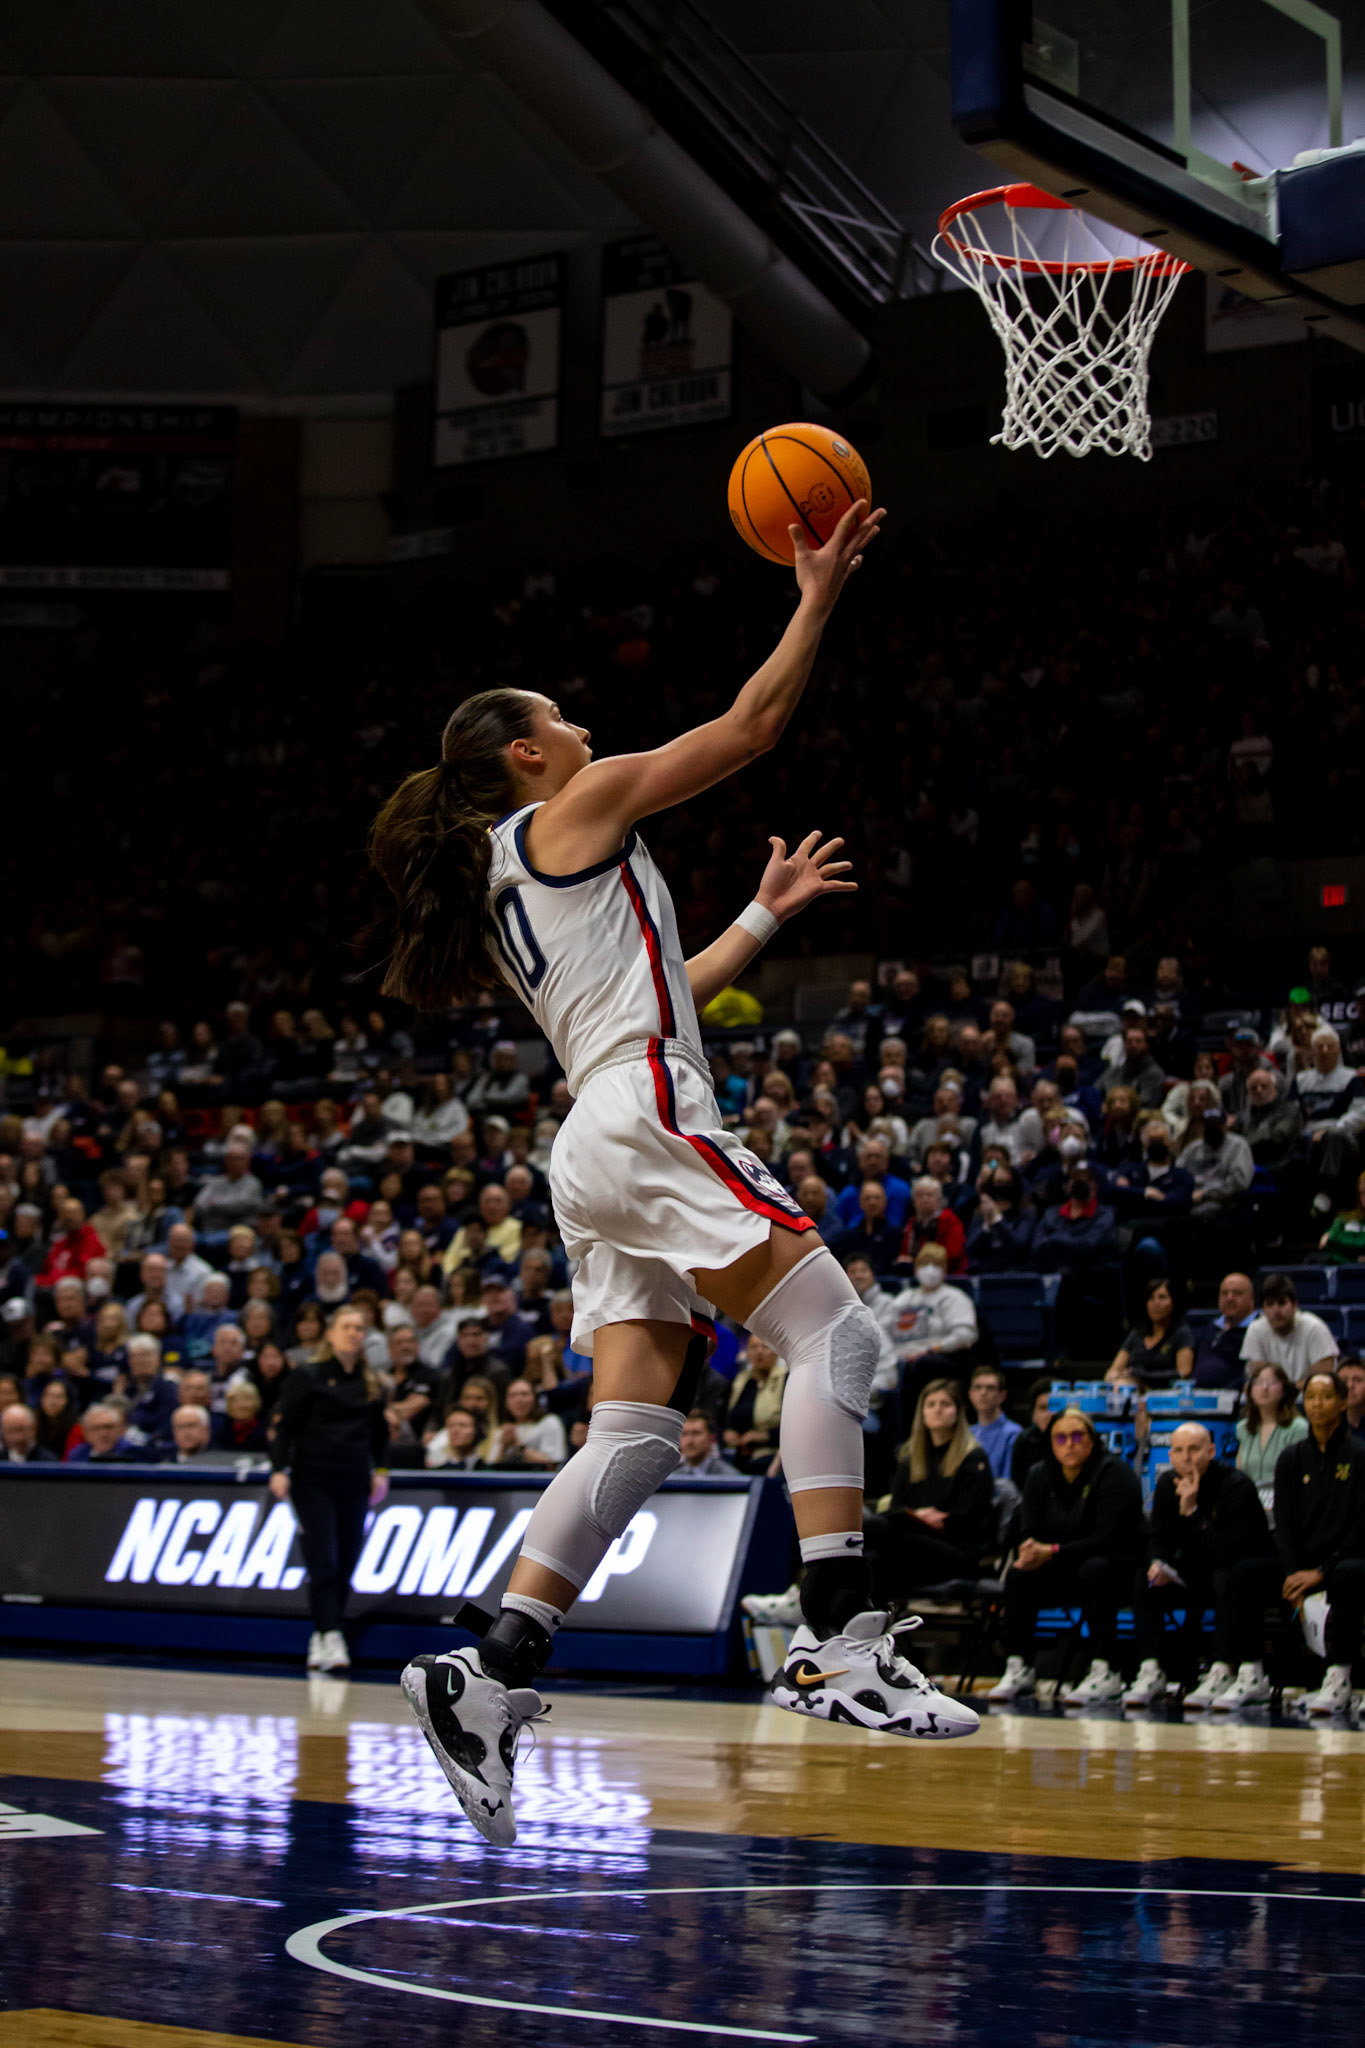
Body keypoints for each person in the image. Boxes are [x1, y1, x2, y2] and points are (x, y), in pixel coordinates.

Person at [366, 500, 975, 1847]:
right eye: (564, 716)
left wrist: (760, 915)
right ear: (529, 753)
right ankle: (837, 1643)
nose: (585, 728)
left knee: (634, 1434)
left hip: (594, 1129)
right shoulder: (576, 801)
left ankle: (493, 1666)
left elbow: (660, 995)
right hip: (639, 1113)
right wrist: (814, 593)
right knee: (839, 1333)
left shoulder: (505, 880)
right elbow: (750, 730)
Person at [988, 1406, 1144, 1707]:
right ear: (1050, 1443)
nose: (1069, 1444)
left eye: (1077, 1436)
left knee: (1094, 1568)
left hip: (1115, 1567)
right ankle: (1019, 1665)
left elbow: (1107, 1538)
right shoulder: (1039, 1473)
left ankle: (1106, 1668)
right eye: (1060, 1438)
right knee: (1020, 1575)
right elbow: (1028, 1527)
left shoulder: (1114, 1473)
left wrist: (1053, 1551)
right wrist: (1028, 1548)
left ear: (1092, 1439)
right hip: (1060, 1566)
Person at [1123, 1423, 1278, 1711]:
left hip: (1245, 1571)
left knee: (1225, 1576)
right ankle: (1151, 1668)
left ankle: (1222, 1668)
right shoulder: (1168, 1484)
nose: (1187, 1458)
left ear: (1211, 1451)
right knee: (1142, 1580)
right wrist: (1158, 1564)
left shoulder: (1236, 1485)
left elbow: (1228, 1551)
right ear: (1169, 1455)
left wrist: (1192, 1511)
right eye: (1179, 1451)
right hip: (1197, 1573)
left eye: (1194, 1449)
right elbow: (1158, 1538)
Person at [269, 1304, 389, 1676]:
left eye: (360, 1327)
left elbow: (380, 1432)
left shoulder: (370, 1383)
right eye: (348, 1326)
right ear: (331, 1334)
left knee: (349, 1557)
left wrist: (380, 1470)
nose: (355, 1333)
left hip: (354, 1479)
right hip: (312, 1479)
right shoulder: (308, 1376)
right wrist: (278, 1469)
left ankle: (327, 1629)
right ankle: (328, 1631)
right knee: (323, 1558)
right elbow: (284, 1426)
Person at [1274, 1369, 1365, 1715]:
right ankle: (1244, 1672)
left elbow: (1362, 1526)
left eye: (1326, 1396)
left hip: (1347, 1560)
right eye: (1310, 1396)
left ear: (1342, 1403)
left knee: (1349, 1573)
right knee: (1242, 1573)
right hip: (1303, 1564)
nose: (1316, 1404)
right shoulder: (1291, 1459)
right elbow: (1284, 1525)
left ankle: (1340, 1678)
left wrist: (1321, 1573)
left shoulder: (1359, 1456)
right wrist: (1292, 1575)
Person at [864, 1379, 994, 1603]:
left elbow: (971, 1520)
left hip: (958, 1549)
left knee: (876, 1527)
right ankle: (868, 1630)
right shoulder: (909, 1459)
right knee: (870, 1561)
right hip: (914, 1545)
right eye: (931, 1404)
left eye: (945, 1404)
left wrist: (932, 1519)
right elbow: (897, 1507)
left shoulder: (973, 1458)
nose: (938, 1410)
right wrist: (921, 1516)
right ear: (922, 1413)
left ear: (958, 1412)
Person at [1242, 1273, 1338, 1387]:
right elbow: (1257, 1379)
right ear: (1263, 1308)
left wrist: (1286, 1392)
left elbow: (1322, 1379)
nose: (1276, 1310)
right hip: (1272, 1397)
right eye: (1269, 1304)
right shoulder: (1255, 1330)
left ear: (1295, 1305)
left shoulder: (1315, 1328)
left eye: (1282, 1303)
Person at [1107, 1279, 1194, 1388]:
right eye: (1151, 1298)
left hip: (1165, 1396)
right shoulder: (1136, 1334)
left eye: (1162, 1297)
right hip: (1133, 1391)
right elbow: (1112, 1372)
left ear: (1173, 1302)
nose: (1156, 1303)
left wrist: (1142, 1376)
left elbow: (1184, 1373)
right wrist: (1118, 1378)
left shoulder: (1182, 1333)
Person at [1235, 1362, 1308, 1492]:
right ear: (1250, 1390)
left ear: (1284, 1390)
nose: (1264, 1388)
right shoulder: (1243, 1428)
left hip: (1285, 1499)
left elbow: (1301, 1474)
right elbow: (1240, 1472)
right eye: (1258, 1382)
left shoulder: (1298, 1428)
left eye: (1272, 1382)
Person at [1186, 1271, 1257, 1388]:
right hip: (1199, 1395)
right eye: (1224, 1293)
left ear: (1251, 1299)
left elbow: (1251, 1373)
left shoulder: (1257, 1328)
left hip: (1232, 1398)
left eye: (1237, 1293)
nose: (1229, 1298)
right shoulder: (1212, 1325)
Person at [486, 1377, 567, 1469]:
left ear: (535, 1399)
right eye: (513, 1395)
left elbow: (552, 1464)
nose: (519, 1400)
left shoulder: (550, 1423)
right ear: (506, 1403)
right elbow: (490, 1468)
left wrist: (519, 1446)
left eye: (524, 1394)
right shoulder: (504, 1428)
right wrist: (503, 1446)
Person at [967, 1364, 1021, 1480]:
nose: (983, 1393)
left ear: (1002, 1395)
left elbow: (1008, 1484)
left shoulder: (1013, 1434)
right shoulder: (967, 1432)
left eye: (990, 1388)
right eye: (978, 1387)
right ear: (970, 1394)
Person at [1010, 1378, 1054, 1490]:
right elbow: (1017, 1485)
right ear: (1033, 1415)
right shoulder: (1024, 1440)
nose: (1050, 1414)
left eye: (1054, 1407)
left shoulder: (1078, 1439)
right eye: (1043, 1408)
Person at [676, 1407, 731, 1476]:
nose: (689, 1441)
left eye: (696, 1433)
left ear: (711, 1438)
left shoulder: (731, 1479)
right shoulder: (672, 1477)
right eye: (684, 1434)